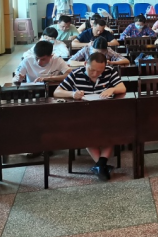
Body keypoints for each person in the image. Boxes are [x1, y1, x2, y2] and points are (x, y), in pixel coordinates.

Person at [54, 52, 126, 181]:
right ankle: (102, 165)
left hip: (105, 114)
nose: (95, 74)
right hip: (84, 116)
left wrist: (112, 89)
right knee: (85, 132)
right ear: (85, 64)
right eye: (92, 70)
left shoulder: (109, 71)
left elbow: (122, 88)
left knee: (115, 130)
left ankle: (99, 166)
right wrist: (72, 94)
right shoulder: (76, 74)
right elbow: (57, 92)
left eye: (100, 71)